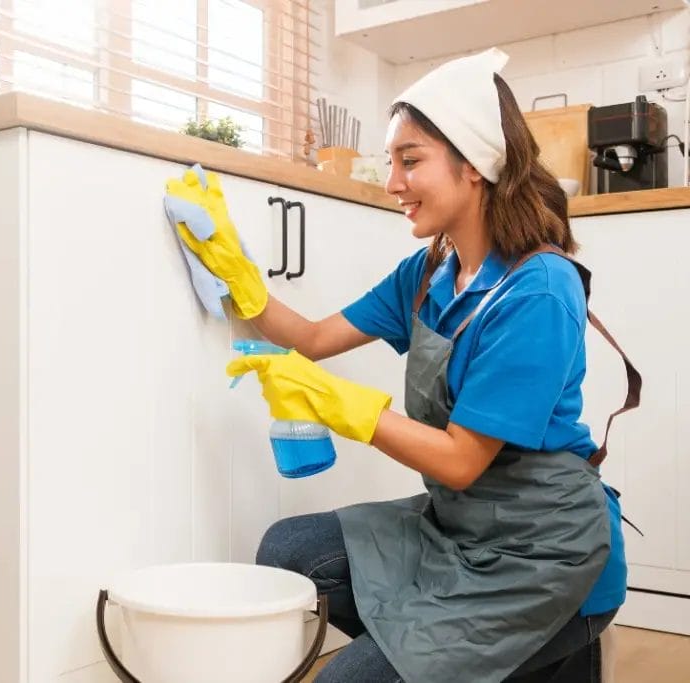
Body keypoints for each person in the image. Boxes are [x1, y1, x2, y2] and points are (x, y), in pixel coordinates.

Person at [165, 48, 639, 682]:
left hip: (547, 555)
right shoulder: (427, 274)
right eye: (392, 162)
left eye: (409, 161)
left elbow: (460, 460)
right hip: (460, 529)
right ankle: (458, 653)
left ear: (475, 165)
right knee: (289, 551)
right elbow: (308, 337)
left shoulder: (539, 290)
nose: (391, 183)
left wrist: (339, 404)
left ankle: (538, 647)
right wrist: (238, 277)